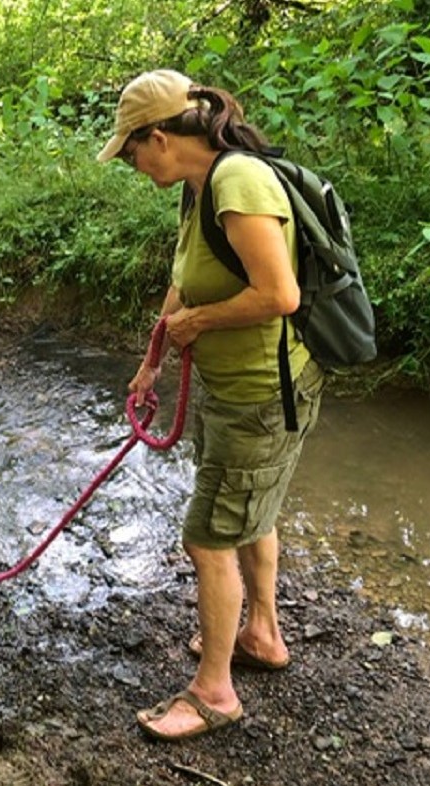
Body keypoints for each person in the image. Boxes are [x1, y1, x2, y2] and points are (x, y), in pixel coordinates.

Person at [97, 69, 323, 741]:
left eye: (132, 151)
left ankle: (215, 691)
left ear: (159, 137)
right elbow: (182, 284)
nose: (132, 164)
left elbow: (279, 294)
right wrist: (154, 357)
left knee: (207, 535)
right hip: (239, 392)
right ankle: (263, 632)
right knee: (252, 514)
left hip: (262, 394)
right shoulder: (199, 190)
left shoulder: (238, 181)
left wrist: (201, 325)